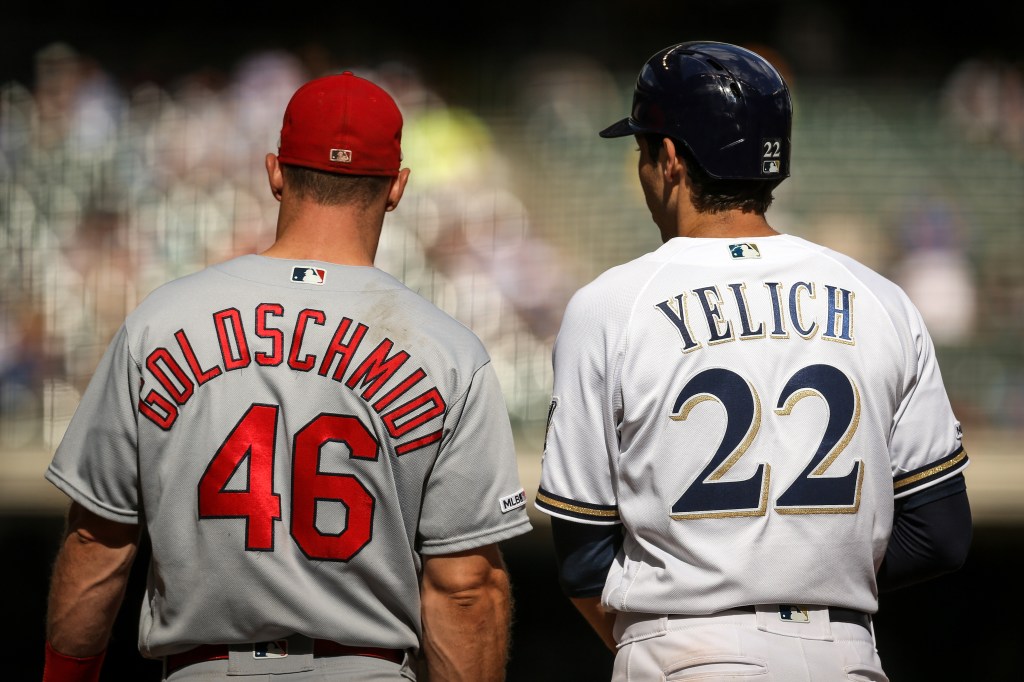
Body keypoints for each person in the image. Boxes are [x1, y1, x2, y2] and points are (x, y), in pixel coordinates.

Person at [43, 70, 533, 682]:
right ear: (397, 187)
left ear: (275, 172)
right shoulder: (448, 350)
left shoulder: (159, 322)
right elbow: (465, 588)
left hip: (204, 670)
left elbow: (97, 544)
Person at [534, 41, 972, 681]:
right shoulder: (882, 298)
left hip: (683, 648)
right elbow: (939, 534)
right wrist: (815, 584)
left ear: (672, 159)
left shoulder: (611, 304)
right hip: (845, 656)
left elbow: (581, 557)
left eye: (643, 148)